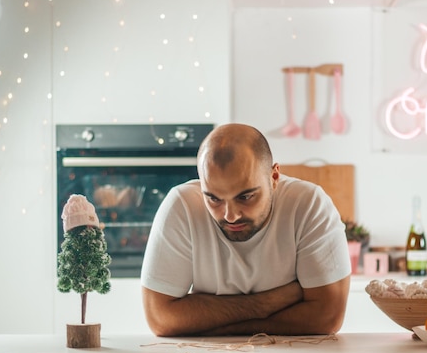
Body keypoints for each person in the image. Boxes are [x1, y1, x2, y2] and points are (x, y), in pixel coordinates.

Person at [141, 123, 351, 336]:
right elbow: (160, 319)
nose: (230, 216)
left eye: (245, 197)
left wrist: (214, 324)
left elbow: (327, 318)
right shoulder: (181, 206)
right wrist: (267, 303)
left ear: (274, 177)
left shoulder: (309, 204)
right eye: (213, 198)